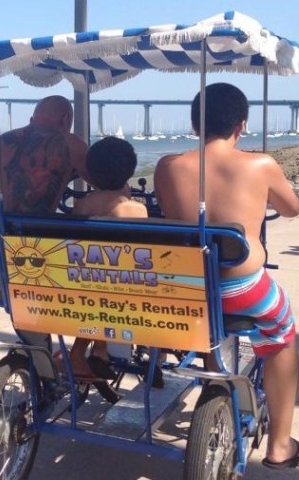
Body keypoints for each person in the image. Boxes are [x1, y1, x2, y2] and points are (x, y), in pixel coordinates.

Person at [153, 82, 299, 470]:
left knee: (205, 315)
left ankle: (214, 373)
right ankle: (281, 445)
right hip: (244, 289)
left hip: (185, 288)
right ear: (241, 125)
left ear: (194, 123)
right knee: (284, 337)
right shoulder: (261, 164)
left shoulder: (167, 166)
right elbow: (290, 209)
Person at [0, 95, 88, 379]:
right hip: (42, 249)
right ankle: (74, 359)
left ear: (34, 116)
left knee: (26, 314)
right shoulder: (69, 143)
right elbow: (107, 182)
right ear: (65, 121)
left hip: (1, 244)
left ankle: (43, 372)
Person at [66, 136, 148, 380]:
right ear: (129, 171)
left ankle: (91, 349)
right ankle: (150, 351)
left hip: (87, 285)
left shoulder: (82, 206)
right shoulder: (135, 209)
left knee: (98, 293)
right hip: (124, 291)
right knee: (115, 290)